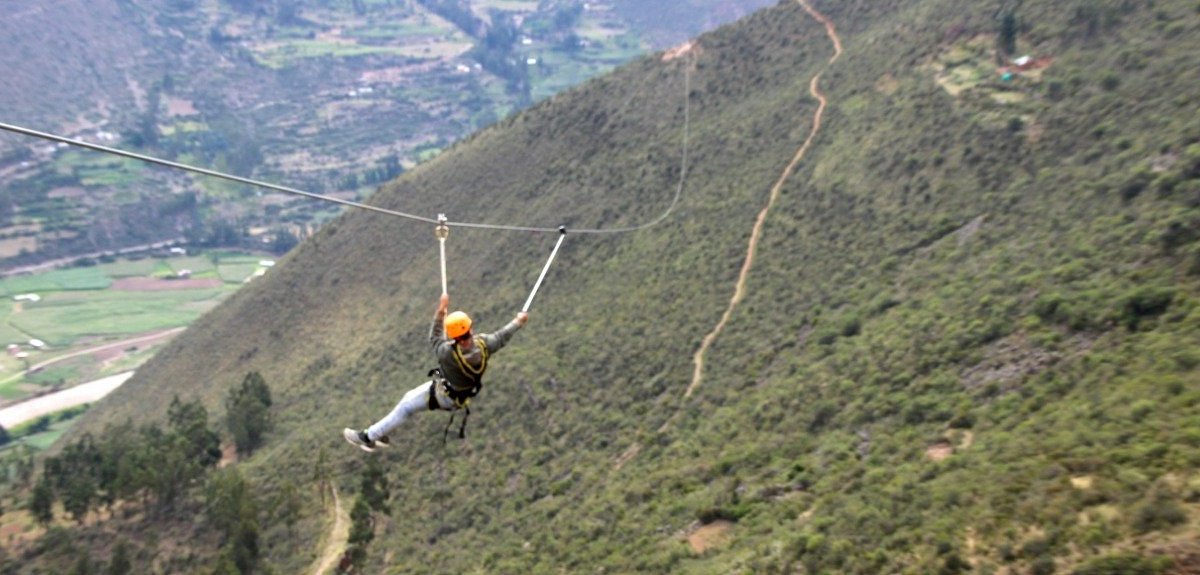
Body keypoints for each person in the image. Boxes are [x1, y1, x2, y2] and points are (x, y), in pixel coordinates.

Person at [343, 294, 529, 452]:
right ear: (470, 329)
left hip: (444, 395)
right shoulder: (484, 345)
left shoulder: (448, 353)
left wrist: (441, 310)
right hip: (457, 395)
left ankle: (368, 437)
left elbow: (435, 336)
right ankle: (381, 430)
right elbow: (503, 336)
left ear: (454, 337)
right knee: (407, 399)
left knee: (406, 407)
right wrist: (518, 322)